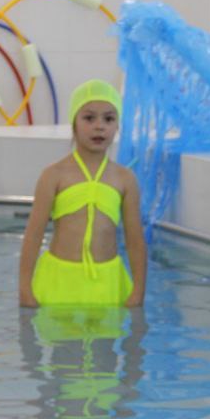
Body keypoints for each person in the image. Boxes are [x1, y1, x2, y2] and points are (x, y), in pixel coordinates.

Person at [18, 79, 146, 308]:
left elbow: (135, 240)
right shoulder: (54, 176)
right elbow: (33, 235)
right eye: (89, 118)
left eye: (109, 119)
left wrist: (138, 291)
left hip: (108, 282)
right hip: (59, 280)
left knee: (107, 333)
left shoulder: (125, 179)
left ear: (118, 125)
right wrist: (25, 289)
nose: (99, 126)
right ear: (74, 123)